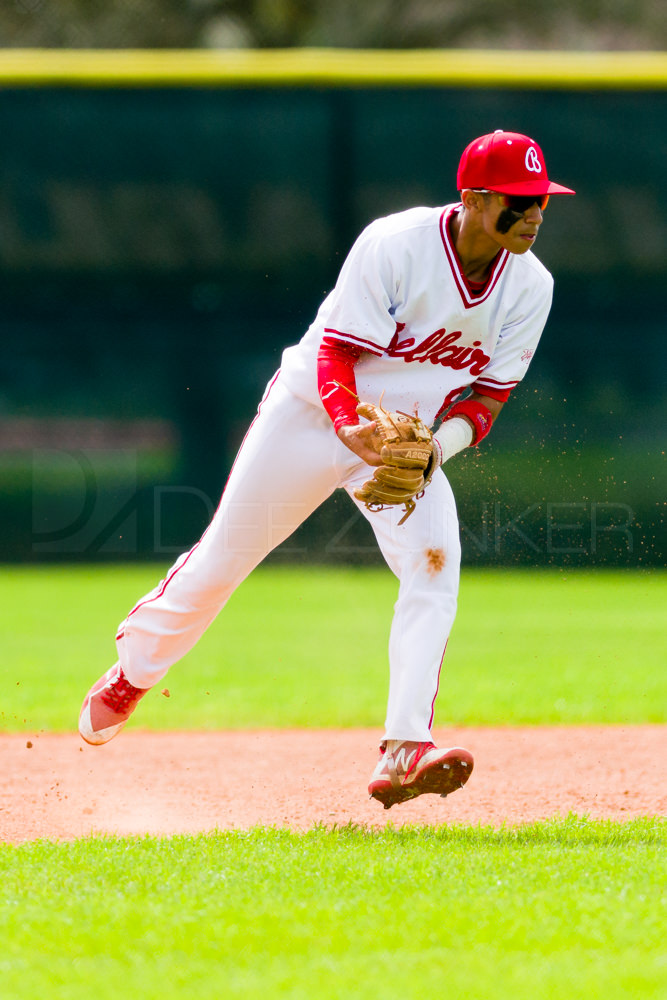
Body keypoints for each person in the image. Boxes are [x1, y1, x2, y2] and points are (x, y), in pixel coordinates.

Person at [79, 130, 574, 810]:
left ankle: (404, 748)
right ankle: (134, 671)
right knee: (225, 558)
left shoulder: (531, 286)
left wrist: (434, 452)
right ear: (474, 199)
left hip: (406, 442)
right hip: (312, 415)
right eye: (521, 201)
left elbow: (488, 398)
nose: (536, 213)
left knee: (434, 568)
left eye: (541, 199)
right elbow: (335, 353)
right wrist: (349, 428)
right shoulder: (395, 245)